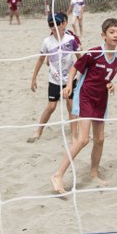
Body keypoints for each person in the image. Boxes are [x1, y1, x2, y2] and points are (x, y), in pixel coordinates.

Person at [51, 18, 117, 195]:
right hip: (85, 98)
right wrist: (69, 86)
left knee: (100, 139)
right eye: (112, 32)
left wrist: (111, 85)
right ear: (103, 36)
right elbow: (75, 68)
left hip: (101, 100)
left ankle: (93, 173)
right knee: (83, 139)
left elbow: (106, 78)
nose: (115, 35)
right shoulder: (94, 53)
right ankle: (57, 175)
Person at [27, 12, 81, 144]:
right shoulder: (47, 42)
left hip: (69, 79)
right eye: (51, 24)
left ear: (64, 24)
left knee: (70, 105)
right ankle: (38, 131)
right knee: (51, 107)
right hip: (54, 79)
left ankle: (73, 135)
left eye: (56, 23)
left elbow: (80, 58)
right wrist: (34, 78)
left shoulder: (71, 40)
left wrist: (82, 74)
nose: (53, 27)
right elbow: (41, 60)